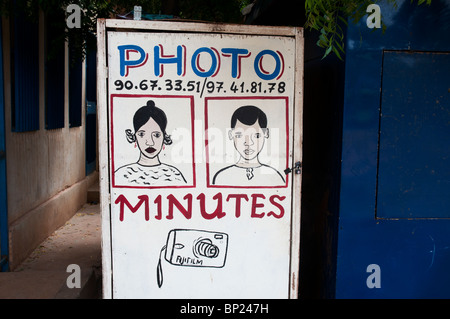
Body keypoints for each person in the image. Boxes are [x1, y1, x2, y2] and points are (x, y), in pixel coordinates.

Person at [115, 100, 186, 186]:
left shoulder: (174, 176)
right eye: (141, 134)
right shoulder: (121, 175)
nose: (150, 142)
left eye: (156, 135)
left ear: (164, 137)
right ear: (135, 137)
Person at [212, 105, 285, 186]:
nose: (248, 142)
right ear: (231, 134)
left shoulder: (275, 177)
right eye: (239, 135)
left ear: (266, 133)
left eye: (256, 136)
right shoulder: (221, 177)